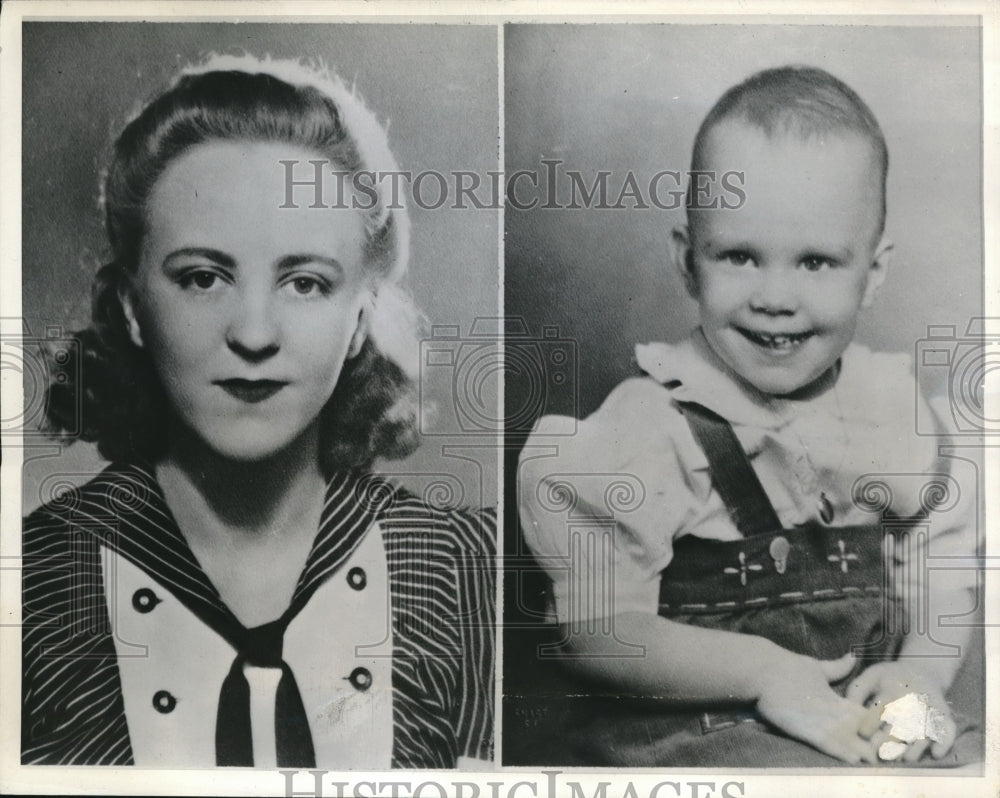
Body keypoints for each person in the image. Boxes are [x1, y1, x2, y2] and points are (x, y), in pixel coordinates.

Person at [22, 54, 495, 769]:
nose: (253, 333)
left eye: (304, 282)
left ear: (361, 316)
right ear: (131, 308)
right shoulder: (30, 583)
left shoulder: (469, 570)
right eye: (203, 277)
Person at [519, 65, 981, 767]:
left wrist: (921, 675)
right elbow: (597, 632)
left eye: (817, 263)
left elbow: (941, 571)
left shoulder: (894, 416)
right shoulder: (652, 423)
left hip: (853, 720)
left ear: (875, 271)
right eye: (739, 255)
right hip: (699, 729)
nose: (775, 296)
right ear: (688, 261)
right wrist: (764, 672)